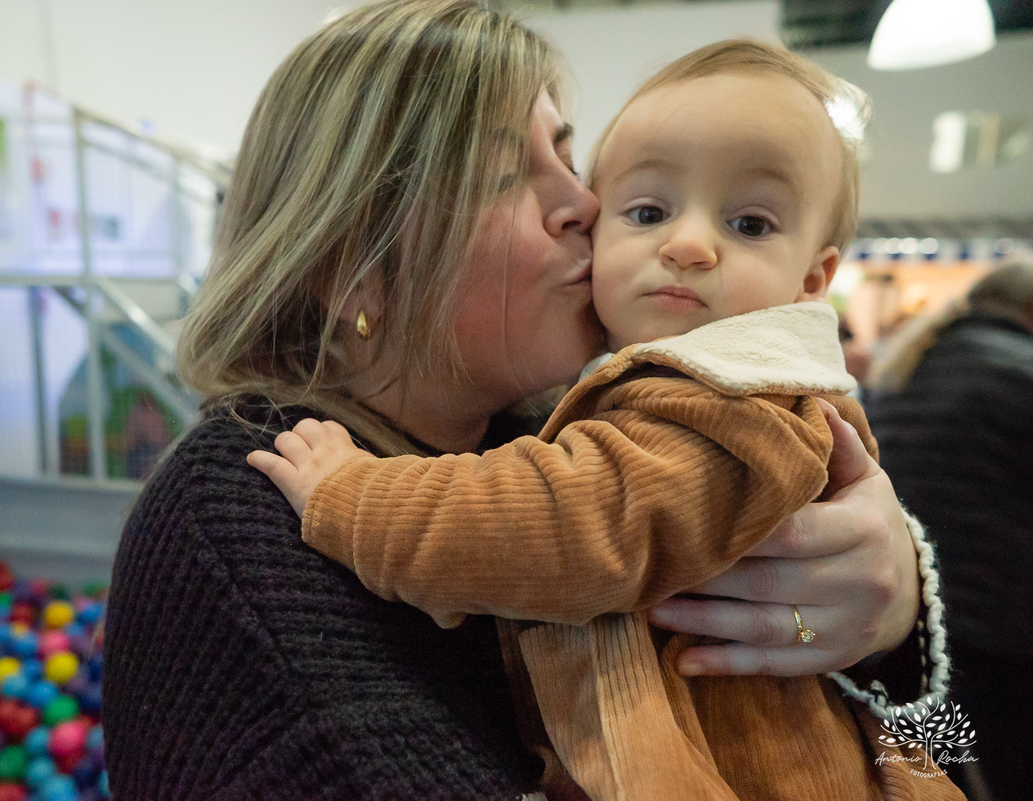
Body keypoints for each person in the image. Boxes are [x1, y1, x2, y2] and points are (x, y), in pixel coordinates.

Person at [103, 3, 940, 798]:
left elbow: (953, 747)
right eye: (510, 174)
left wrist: (900, 631)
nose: (586, 204)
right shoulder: (248, 515)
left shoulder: (570, 439)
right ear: (352, 265)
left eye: (570, 161)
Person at [867, 262, 1033, 801]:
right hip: (1000, 631)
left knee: (933, 777)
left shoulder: (909, 364)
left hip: (907, 624)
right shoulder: (1021, 371)